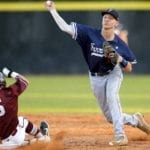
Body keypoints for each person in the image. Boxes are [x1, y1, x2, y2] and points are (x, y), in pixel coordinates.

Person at [45, 1, 150, 146]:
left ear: (116, 23)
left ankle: (120, 136)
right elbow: (65, 27)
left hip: (113, 73)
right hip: (95, 76)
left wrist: (120, 59)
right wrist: (53, 10)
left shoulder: (120, 44)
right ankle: (135, 120)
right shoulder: (89, 34)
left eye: (110, 17)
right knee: (110, 117)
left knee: (112, 97)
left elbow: (129, 68)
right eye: (105, 17)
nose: (106, 19)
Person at [0, 67, 50, 149]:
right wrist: (10, 73)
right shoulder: (9, 92)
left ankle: (28, 143)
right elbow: (24, 82)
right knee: (21, 120)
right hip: (15, 138)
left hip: (3, 144)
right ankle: (42, 137)